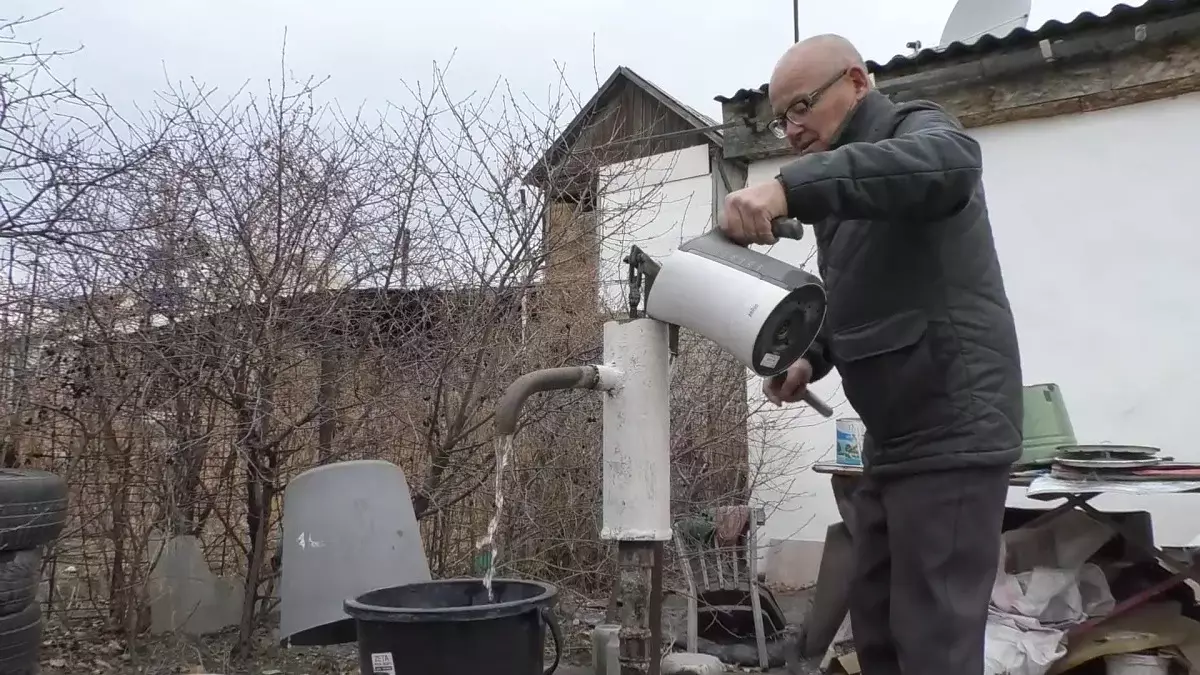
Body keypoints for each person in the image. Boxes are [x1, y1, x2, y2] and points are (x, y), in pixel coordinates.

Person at [719, 34, 1023, 675]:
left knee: (934, 640)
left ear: (856, 83)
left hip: (953, 431)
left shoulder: (916, 132)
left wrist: (787, 189)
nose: (792, 131)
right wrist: (813, 357)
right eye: (781, 120)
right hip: (895, 439)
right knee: (879, 630)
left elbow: (950, 164)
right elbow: (858, 290)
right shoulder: (846, 184)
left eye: (800, 107)